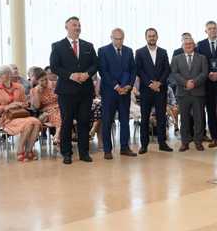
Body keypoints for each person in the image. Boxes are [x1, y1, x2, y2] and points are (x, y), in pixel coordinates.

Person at [49, 16, 98, 164]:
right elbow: (55, 67)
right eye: (74, 25)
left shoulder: (88, 46)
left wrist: (87, 74)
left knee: (84, 121)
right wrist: (71, 75)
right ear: (67, 27)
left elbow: (95, 64)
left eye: (79, 25)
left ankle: (84, 153)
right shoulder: (57, 46)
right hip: (66, 91)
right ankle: (67, 153)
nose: (77, 27)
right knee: (67, 122)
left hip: (86, 91)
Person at [98, 28, 137, 159]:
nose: (119, 41)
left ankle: (125, 147)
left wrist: (129, 86)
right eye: (116, 39)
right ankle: (107, 150)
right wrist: (116, 86)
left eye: (121, 39)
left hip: (125, 93)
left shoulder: (129, 51)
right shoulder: (103, 51)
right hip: (109, 92)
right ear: (111, 38)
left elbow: (133, 70)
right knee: (107, 121)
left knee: (125, 120)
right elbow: (103, 71)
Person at [135, 27, 172, 154]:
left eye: (153, 35)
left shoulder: (163, 52)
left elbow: (167, 69)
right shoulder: (139, 52)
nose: (152, 38)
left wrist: (159, 83)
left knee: (162, 117)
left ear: (157, 37)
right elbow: (139, 70)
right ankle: (144, 145)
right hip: (146, 90)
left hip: (160, 90)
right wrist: (150, 83)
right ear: (146, 37)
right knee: (144, 118)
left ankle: (162, 143)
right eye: (149, 36)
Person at [0, 65, 42, 161]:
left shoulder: (19, 87)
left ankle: (28, 151)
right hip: (5, 117)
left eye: (6, 73)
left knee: (36, 122)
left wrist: (21, 104)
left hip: (20, 115)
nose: (4, 76)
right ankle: (20, 151)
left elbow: (26, 104)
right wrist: (9, 106)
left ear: (9, 75)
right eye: (1, 74)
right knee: (29, 123)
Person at [170, 37, 208, 152]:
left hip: (198, 92)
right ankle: (185, 142)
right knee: (184, 119)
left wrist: (194, 83)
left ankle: (198, 141)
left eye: (191, 43)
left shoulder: (202, 58)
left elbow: (204, 73)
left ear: (194, 45)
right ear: (182, 46)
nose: (188, 45)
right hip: (183, 92)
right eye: (186, 44)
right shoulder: (176, 58)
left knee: (199, 118)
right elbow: (175, 74)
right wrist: (185, 83)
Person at [197, 21, 217, 149]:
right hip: (207, 83)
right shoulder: (200, 45)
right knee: (210, 111)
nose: (212, 30)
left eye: (214, 28)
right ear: (206, 31)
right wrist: (208, 74)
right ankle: (214, 138)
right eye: (209, 29)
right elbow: (199, 62)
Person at [30, 69, 62, 145]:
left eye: (46, 79)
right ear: (37, 81)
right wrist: (37, 93)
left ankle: (57, 135)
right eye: (41, 80)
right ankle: (57, 136)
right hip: (46, 110)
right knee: (56, 112)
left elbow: (62, 97)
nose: (44, 82)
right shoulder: (34, 90)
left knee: (60, 112)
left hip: (59, 106)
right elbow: (37, 106)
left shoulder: (54, 84)